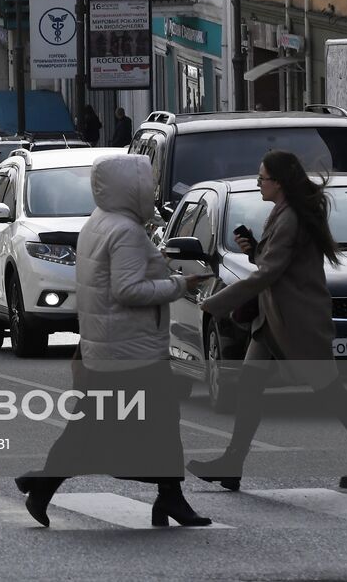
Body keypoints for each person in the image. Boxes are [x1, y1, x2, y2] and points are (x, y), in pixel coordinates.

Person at [17, 153, 213, 528]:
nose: (152, 189)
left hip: (109, 344)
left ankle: (46, 485)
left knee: (97, 423)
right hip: (132, 348)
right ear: (131, 186)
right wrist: (177, 285)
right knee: (157, 423)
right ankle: (167, 497)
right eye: (147, 182)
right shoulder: (125, 231)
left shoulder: (98, 222)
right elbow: (128, 290)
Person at [190, 150, 347, 490]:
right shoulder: (283, 213)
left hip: (298, 321)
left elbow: (268, 274)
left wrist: (216, 303)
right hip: (273, 319)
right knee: (250, 385)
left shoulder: (291, 218)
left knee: (331, 391)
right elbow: (277, 265)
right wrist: (254, 249)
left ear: (280, 183)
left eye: (263, 178)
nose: (259, 183)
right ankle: (232, 462)